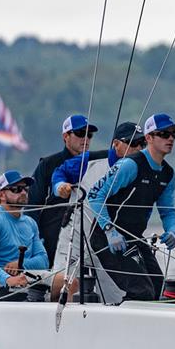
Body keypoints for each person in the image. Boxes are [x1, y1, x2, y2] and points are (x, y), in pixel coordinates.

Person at [48, 122, 146, 303]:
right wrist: (59, 187)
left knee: (116, 297)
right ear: (116, 144)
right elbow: (59, 172)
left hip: (109, 244)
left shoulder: (141, 169)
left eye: (142, 144)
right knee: (67, 285)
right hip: (76, 237)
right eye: (133, 143)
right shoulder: (90, 161)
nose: (138, 148)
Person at [87, 113, 175, 301]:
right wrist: (109, 230)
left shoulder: (168, 174)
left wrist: (172, 231)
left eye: (173, 135)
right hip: (106, 237)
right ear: (148, 138)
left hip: (134, 238)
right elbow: (94, 195)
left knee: (157, 285)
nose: (170, 138)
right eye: (163, 134)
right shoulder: (130, 165)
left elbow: (168, 210)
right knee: (142, 290)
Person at [0, 170, 73, 301]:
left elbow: (43, 260)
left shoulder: (30, 223)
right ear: (1, 195)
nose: (23, 192)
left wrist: (20, 265)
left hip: (26, 275)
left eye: (25, 189)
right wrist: (9, 279)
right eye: (17, 189)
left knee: (72, 282)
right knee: (66, 283)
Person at [28, 114, 98, 267]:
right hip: (53, 234)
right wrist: (33, 239)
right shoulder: (48, 164)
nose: (85, 139)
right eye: (80, 134)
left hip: (86, 233)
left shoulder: (95, 163)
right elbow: (32, 205)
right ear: (66, 136)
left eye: (89, 135)